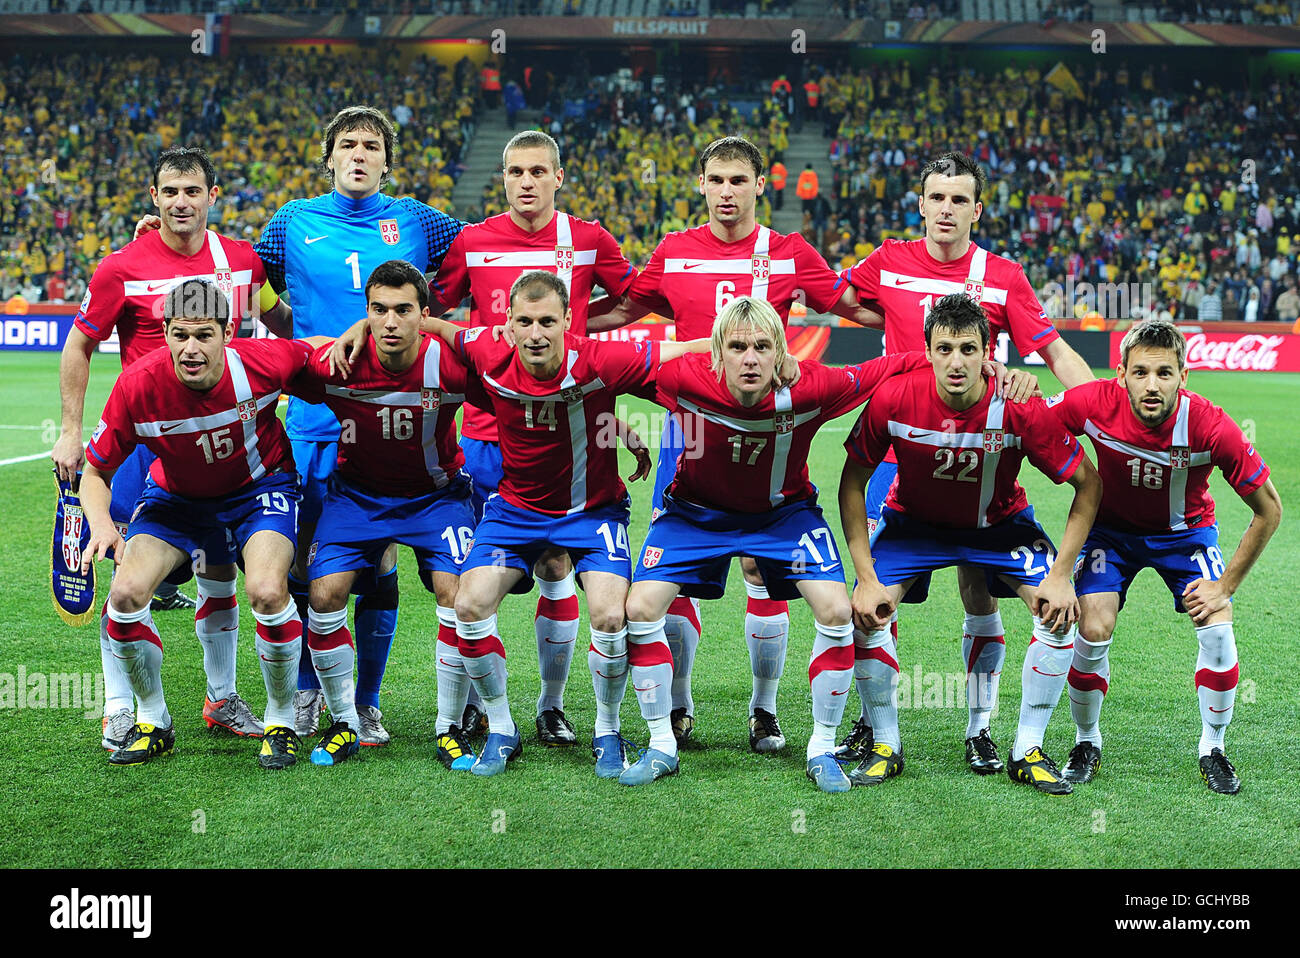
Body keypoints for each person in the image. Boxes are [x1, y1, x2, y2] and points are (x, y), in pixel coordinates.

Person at [619, 296, 1031, 788]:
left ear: (781, 353)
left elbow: (878, 370)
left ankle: (820, 746)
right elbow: (603, 375)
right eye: (736, 347)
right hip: (695, 515)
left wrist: (971, 364)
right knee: (640, 607)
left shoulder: (811, 385)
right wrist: (622, 429)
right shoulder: (682, 379)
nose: (750, 358)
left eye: (762, 346)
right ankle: (661, 744)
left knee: (838, 610)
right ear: (717, 352)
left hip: (784, 516)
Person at [590, 134, 879, 755]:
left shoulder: (790, 251)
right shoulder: (673, 251)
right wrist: (553, 326)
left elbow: (850, 306)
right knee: (679, 576)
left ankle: (764, 710)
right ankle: (678, 703)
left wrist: (928, 316)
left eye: (737, 181)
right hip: (688, 425)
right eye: (716, 180)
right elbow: (621, 313)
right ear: (701, 185)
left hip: (764, 424)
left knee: (758, 568)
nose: (726, 192)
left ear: (758, 186)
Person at [836, 151, 1096, 774]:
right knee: (872, 595)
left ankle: (982, 731)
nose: (946, 209)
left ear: (976, 210)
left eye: (959, 200)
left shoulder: (1004, 276)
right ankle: (875, 727)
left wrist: (1086, 411)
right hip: (902, 446)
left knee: (979, 591)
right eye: (937, 198)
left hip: (981, 444)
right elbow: (833, 295)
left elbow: (1055, 352)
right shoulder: (888, 260)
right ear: (920, 203)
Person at [418, 271, 710, 778]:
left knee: (610, 617)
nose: (535, 334)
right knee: (468, 603)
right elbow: (439, 328)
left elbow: (681, 351)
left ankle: (607, 728)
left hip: (592, 513)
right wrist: (365, 328)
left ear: (569, 322)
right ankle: (502, 727)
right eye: (525, 321)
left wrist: (756, 345)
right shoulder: (487, 351)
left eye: (548, 321)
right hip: (515, 514)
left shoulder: (598, 359)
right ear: (507, 325)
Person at [56, 146, 288, 749]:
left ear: (213, 196)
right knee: (122, 577)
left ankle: (222, 699)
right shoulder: (120, 267)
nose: (181, 202)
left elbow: (280, 321)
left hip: (222, 438)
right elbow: (79, 345)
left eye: (192, 191)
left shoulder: (243, 263)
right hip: (146, 442)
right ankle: (118, 705)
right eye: (169, 192)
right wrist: (68, 429)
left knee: (219, 572)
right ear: (153, 199)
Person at [424, 130, 646, 747]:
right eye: (516, 171)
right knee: (466, 582)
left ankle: (550, 706)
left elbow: (631, 305)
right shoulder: (473, 241)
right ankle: (472, 709)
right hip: (489, 432)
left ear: (558, 176)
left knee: (554, 565)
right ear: (503, 179)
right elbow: (433, 314)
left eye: (538, 171)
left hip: (565, 429)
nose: (526, 182)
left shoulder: (589, 238)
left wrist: (579, 343)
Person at [254, 106, 464, 744]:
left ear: (385, 159)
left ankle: (365, 701)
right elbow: (244, 276)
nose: (359, 154)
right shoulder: (292, 220)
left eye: (372, 146)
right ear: (329, 156)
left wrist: (431, 321)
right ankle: (312, 693)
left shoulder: (419, 220)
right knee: (308, 566)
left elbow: (479, 252)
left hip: (394, 414)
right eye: (348, 144)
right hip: (312, 417)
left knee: (379, 561)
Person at [78, 280, 327, 769]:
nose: (190, 348)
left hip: (259, 492)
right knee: (125, 595)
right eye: (179, 334)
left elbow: (316, 350)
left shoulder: (261, 362)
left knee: (267, 592)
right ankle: (153, 720)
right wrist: (103, 525)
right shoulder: (137, 386)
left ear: (227, 332)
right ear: (165, 333)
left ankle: (279, 722)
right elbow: (95, 473)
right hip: (176, 501)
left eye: (203, 335)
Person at [1047, 320, 1281, 793]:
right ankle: (1086, 741)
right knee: (1092, 628)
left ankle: (1212, 747)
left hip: (1186, 536)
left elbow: (1269, 509)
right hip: (1111, 534)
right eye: (1140, 373)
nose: (1151, 385)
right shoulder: (1092, 403)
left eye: (1164, 373)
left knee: (1217, 627)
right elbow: (1031, 427)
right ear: (1121, 374)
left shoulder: (1211, 425)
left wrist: (1224, 587)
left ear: (1183, 376)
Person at [291, 261, 478, 768]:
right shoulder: (339, 363)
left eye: (403, 311)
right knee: (324, 592)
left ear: (425, 314)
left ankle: (449, 726)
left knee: (458, 595)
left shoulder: (454, 365)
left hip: (436, 498)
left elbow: (518, 376)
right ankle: (344, 722)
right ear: (366, 313)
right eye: (378, 311)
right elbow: (272, 367)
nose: (391, 322)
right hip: (357, 498)